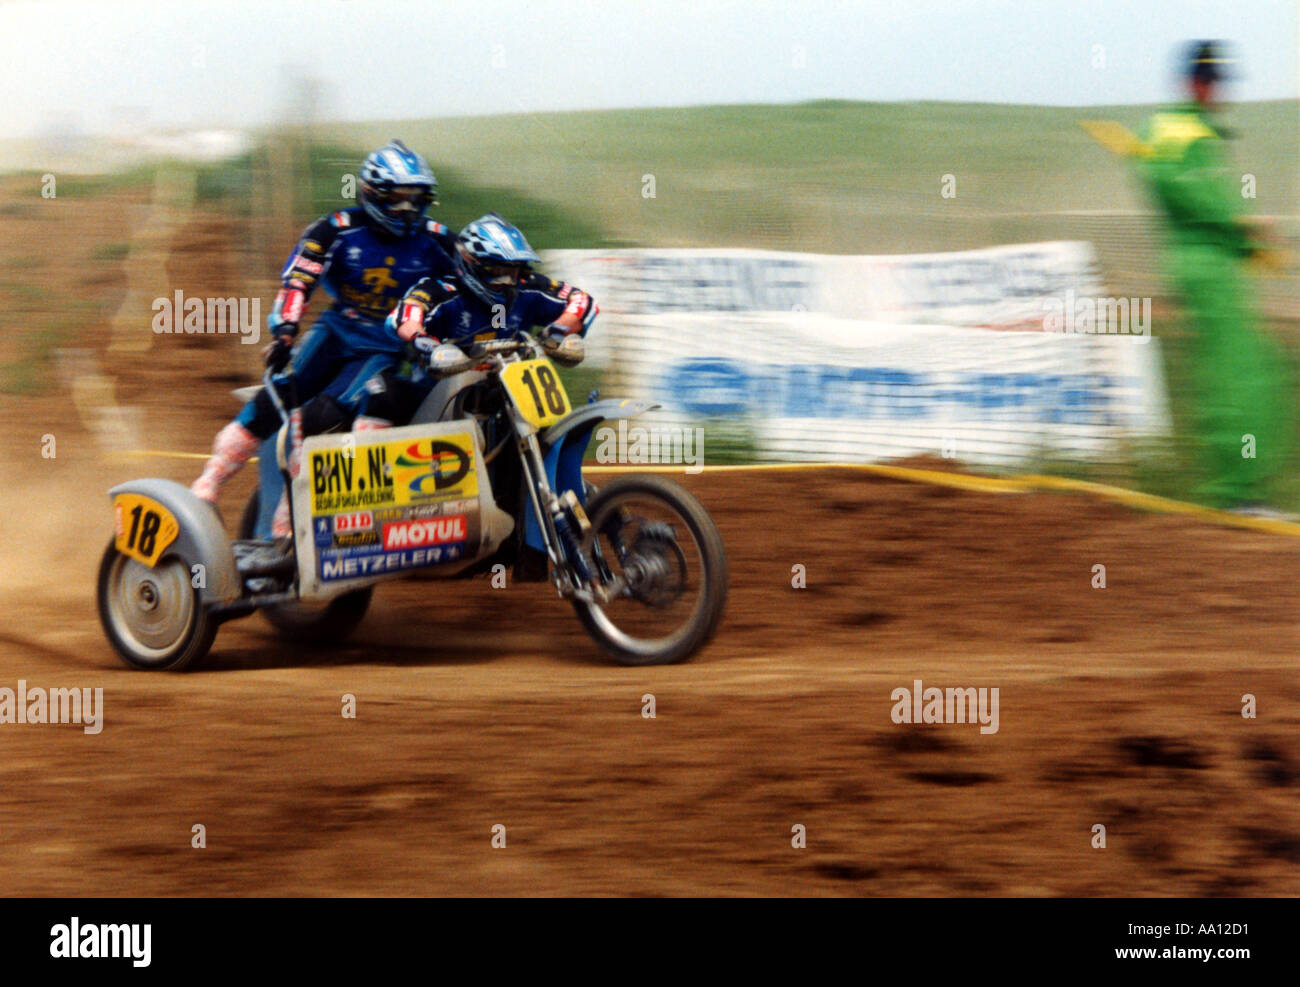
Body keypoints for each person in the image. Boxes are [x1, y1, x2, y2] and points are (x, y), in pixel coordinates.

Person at [190, 140, 457, 535]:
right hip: (334, 331)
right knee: (278, 391)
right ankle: (207, 483)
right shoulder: (334, 229)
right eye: (398, 199)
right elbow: (298, 280)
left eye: (417, 200)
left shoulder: (439, 240)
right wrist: (283, 331)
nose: (407, 210)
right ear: (372, 193)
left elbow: (473, 285)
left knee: (325, 419)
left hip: (385, 347)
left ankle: (286, 519)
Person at [1135, 41, 1294, 512]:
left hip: (1213, 262)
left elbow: (1189, 193)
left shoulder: (1185, 129)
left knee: (1252, 366)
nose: (1216, 90)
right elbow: (1187, 193)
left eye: (1221, 81)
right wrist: (1242, 225)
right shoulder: (1178, 130)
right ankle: (1233, 493)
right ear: (1191, 81)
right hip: (1204, 263)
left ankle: (1243, 488)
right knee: (1233, 375)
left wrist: (1243, 237)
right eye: (1209, 80)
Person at [353, 213, 597, 432]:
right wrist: (423, 340)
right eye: (498, 271)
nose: (507, 281)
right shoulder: (441, 290)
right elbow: (406, 313)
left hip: (508, 392)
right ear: (471, 264)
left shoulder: (526, 287)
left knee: (549, 429)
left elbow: (581, 300)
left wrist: (558, 329)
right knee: (381, 390)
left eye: (512, 272)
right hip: (437, 397)